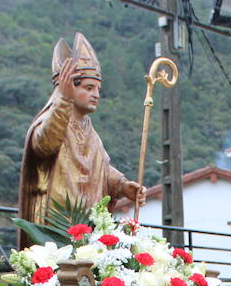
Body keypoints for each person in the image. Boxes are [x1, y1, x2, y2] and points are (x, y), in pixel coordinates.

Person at [17, 32, 145, 244]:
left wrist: (122, 185)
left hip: (87, 228)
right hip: (57, 225)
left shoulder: (89, 130)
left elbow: (101, 168)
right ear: (68, 86)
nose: (96, 94)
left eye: (98, 89)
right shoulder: (52, 120)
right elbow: (44, 144)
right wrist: (63, 101)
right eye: (88, 88)